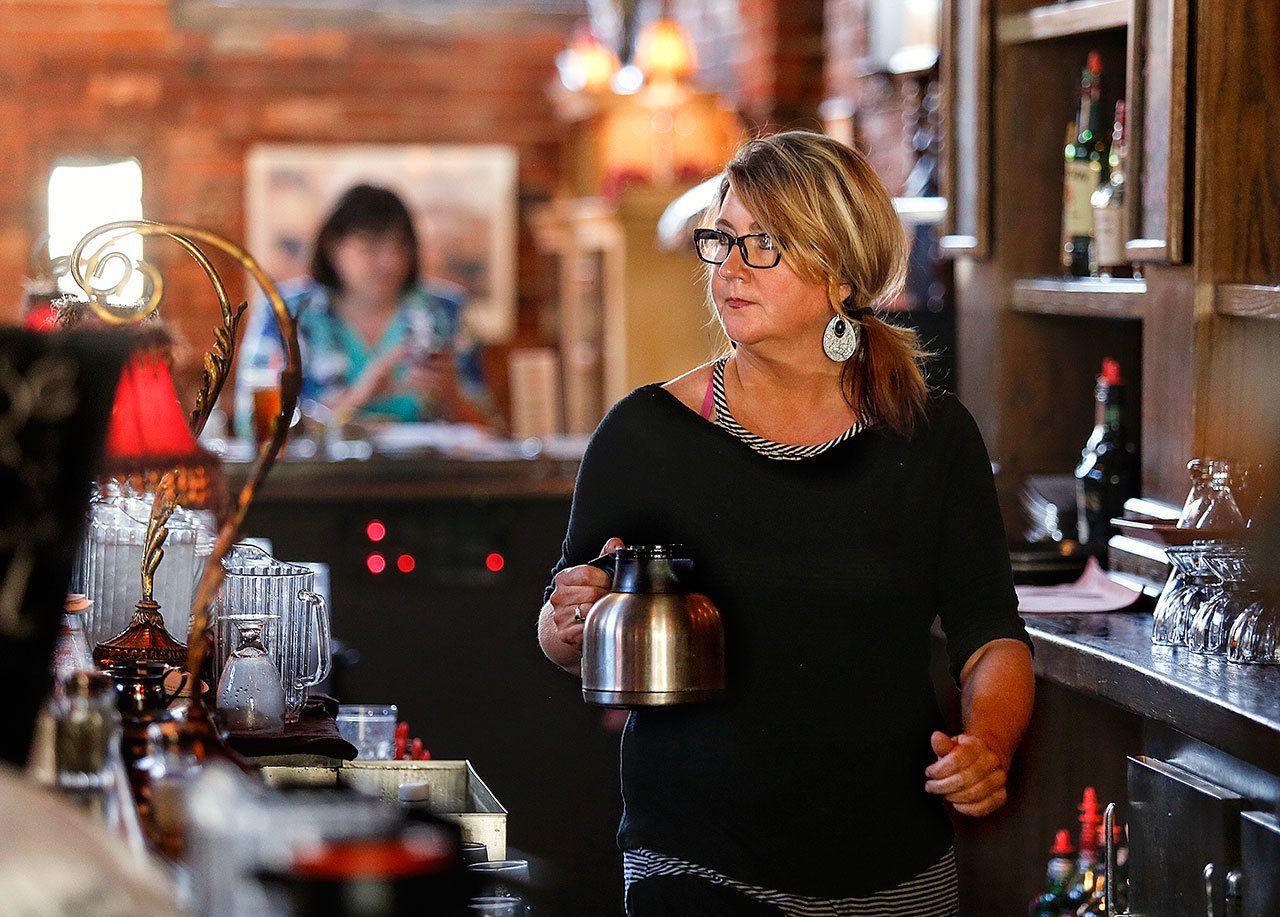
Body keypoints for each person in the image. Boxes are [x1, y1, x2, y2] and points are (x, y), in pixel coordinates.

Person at [537, 131, 1035, 915]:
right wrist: (572, 622)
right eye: (721, 239)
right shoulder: (644, 433)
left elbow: (991, 632)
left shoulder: (932, 437)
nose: (727, 267)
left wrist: (990, 744)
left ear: (840, 270)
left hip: (897, 859)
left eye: (762, 244)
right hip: (697, 856)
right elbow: (560, 623)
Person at [235, 184, 492, 432]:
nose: (390, 261)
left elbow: (492, 427)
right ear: (332, 247)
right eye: (370, 246)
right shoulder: (285, 312)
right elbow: (252, 422)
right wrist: (358, 398)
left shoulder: (445, 312)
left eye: (400, 245)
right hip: (318, 477)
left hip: (427, 475)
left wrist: (453, 398)